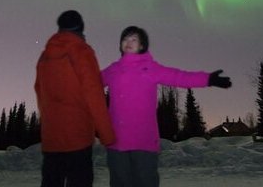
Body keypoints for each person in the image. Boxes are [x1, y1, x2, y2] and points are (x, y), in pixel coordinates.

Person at [101, 25, 231, 187]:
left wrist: (208, 79)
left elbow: (179, 77)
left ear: (142, 45)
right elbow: (91, 84)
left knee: (146, 182)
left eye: (134, 39)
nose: (128, 41)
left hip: (144, 140)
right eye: (125, 38)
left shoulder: (151, 68)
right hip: (117, 141)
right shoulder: (113, 69)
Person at [35, 10, 116, 187]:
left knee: (51, 181)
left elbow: (39, 90)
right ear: (80, 27)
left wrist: (49, 120)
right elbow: (93, 92)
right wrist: (106, 134)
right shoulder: (82, 51)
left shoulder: (44, 56)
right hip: (77, 136)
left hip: (51, 137)